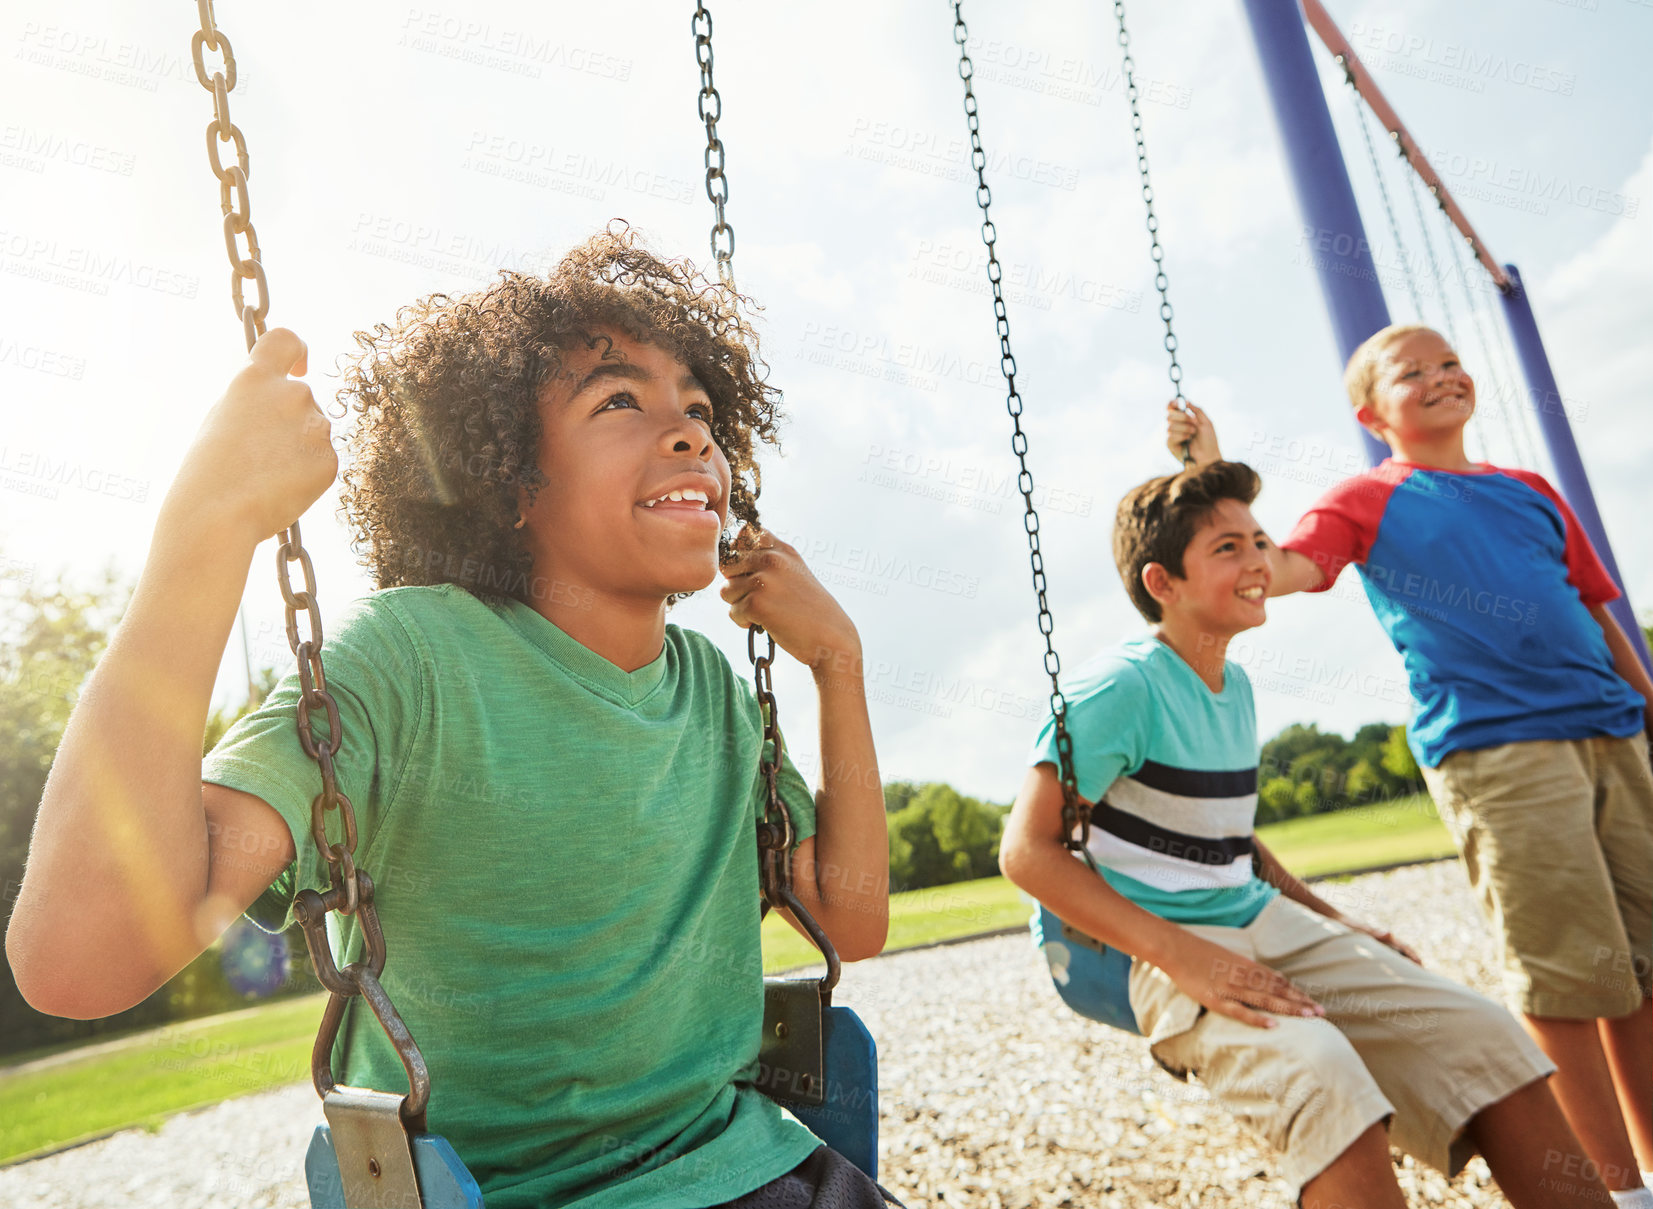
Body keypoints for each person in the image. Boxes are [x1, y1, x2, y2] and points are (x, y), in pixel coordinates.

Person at [5, 227, 898, 1209]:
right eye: (618, 402)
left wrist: (838, 664)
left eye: (698, 409)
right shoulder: (410, 664)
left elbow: (850, 917)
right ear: (511, 482)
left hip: (753, 1171)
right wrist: (203, 540)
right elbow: (78, 958)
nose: (690, 434)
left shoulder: (716, 694)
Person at [999, 459, 1613, 1209]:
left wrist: (1340, 922)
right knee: (1320, 1072)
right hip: (1137, 947)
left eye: (1259, 540)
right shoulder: (1120, 688)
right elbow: (1025, 851)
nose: (1258, 560)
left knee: (1479, 1032)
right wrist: (1183, 957)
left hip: (1251, 918)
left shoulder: (1232, 684)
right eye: (1227, 548)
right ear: (1162, 583)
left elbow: (1230, 846)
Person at [1168, 322, 1653, 1207]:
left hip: (1615, 735)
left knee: (1641, 968)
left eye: (1449, 363)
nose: (1439, 376)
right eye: (1411, 371)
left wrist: (1647, 710)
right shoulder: (1368, 496)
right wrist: (1212, 462)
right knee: (1567, 975)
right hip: (1502, 748)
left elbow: (1596, 610)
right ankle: (1615, 1191)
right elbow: (1280, 568)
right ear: (1369, 411)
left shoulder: (1531, 491)